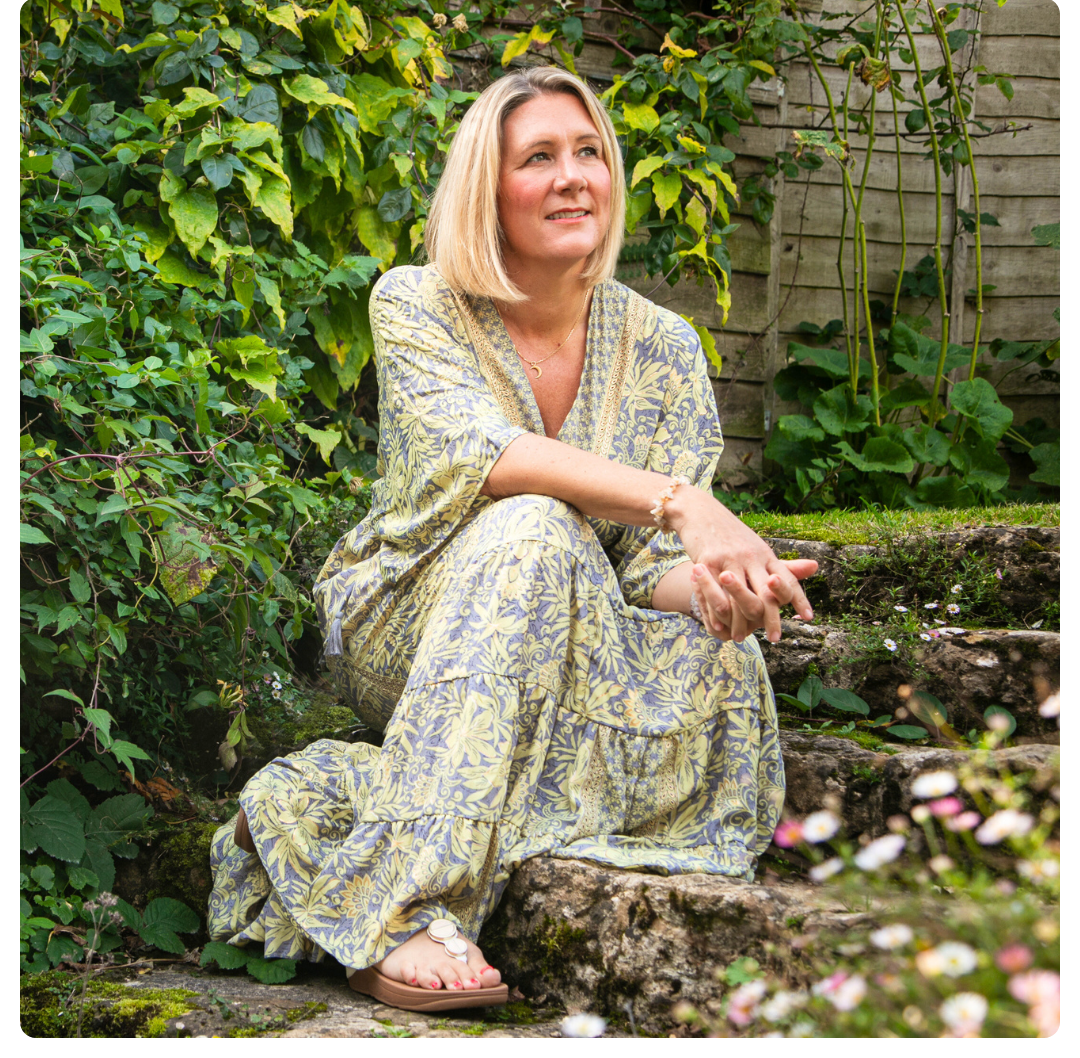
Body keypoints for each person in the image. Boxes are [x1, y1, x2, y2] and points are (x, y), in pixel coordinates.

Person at [207, 65, 817, 1012]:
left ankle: (317, 802)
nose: (573, 177)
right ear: (486, 189)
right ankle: (403, 906)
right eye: (539, 158)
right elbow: (488, 457)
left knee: (716, 659)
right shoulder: (416, 302)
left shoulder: (665, 346)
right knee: (533, 521)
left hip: (569, 627)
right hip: (406, 617)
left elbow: (644, 572)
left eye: (589, 153)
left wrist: (711, 591)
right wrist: (683, 504)